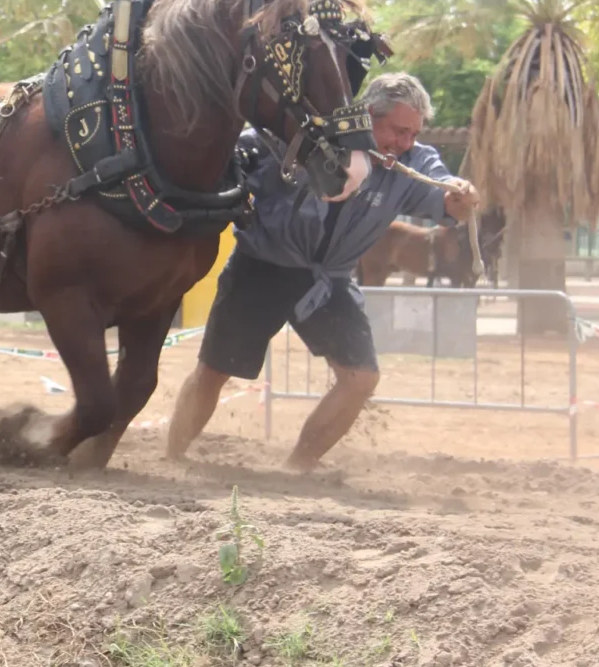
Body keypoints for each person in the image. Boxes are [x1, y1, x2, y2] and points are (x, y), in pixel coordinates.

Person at [164, 72, 480, 472]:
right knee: (213, 371)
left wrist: (463, 197)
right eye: (399, 131)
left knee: (361, 378)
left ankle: (297, 468)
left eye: (413, 134)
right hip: (262, 266)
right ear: (367, 114)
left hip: (329, 280)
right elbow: (237, 153)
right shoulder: (306, 133)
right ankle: (171, 457)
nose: (405, 144)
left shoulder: (415, 161)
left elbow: (448, 195)